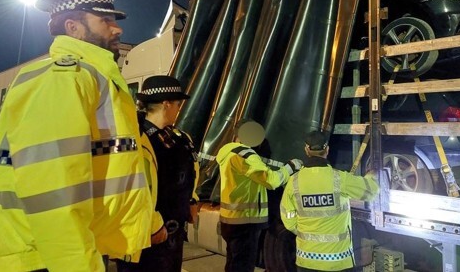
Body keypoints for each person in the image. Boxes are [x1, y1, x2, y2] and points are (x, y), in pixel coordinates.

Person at [0, 0, 153, 272]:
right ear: (73, 27)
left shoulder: (93, 77)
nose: (117, 28)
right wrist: (77, 264)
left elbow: (112, 165)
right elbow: (53, 190)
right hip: (50, 256)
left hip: (70, 247)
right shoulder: (64, 78)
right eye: (105, 20)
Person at [116, 75, 199, 272]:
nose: (179, 109)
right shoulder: (135, 138)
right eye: (178, 104)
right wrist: (153, 225)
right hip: (146, 235)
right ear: (166, 104)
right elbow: (131, 188)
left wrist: (192, 200)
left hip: (172, 236)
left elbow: (189, 174)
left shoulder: (180, 138)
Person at [280, 130, 380, 272]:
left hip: (306, 261)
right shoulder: (340, 179)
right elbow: (372, 191)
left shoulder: (293, 182)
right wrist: (371, 176)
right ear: (327, 149)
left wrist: (308, 233)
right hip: (337, 261)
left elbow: (289, 221)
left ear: (306, 150)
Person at [216, 120, 302, 272]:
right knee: (243, 266)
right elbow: (271, 180)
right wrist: (290, 167)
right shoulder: (246, 156)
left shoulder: (227, 151)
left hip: (230, 218)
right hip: (245, 221)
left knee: (233, 263)